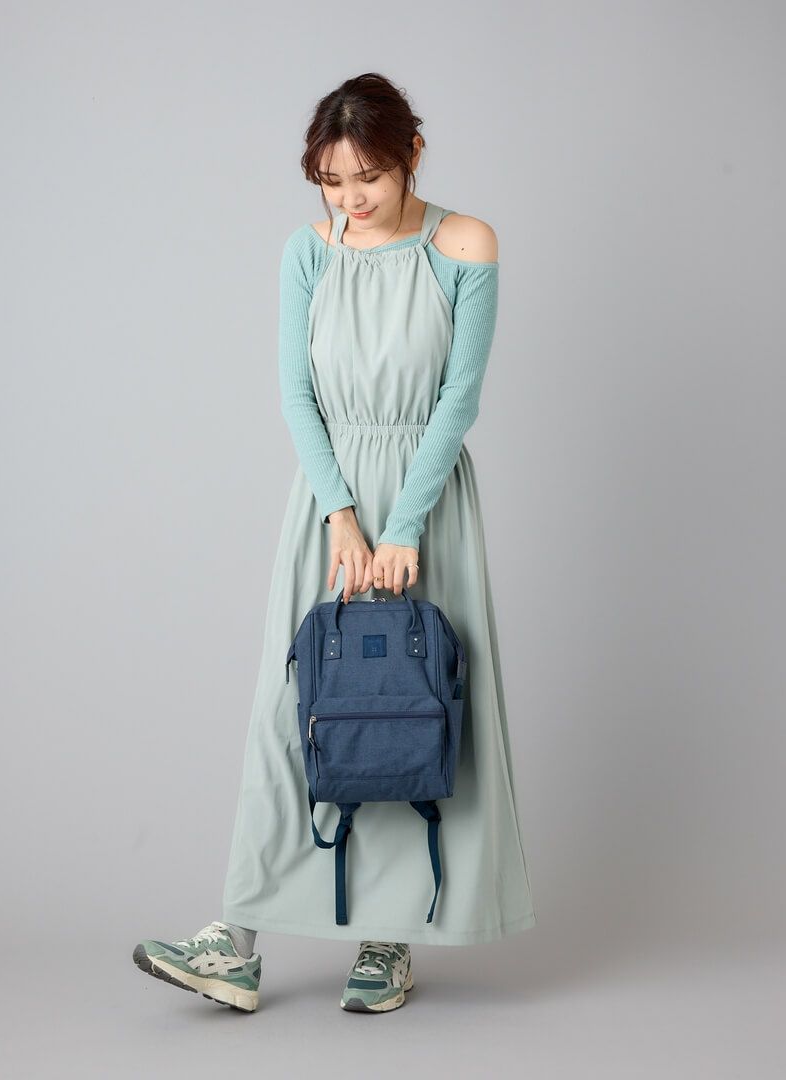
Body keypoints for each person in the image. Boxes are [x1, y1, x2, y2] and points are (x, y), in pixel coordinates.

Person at [133, 71, 536, 1014]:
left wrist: (404, 527)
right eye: (331, 181)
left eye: (369, 177)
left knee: (411, 709)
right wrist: (342, 516)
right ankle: (236, 941)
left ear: (412, 156)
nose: (350, 199)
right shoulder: (306, 253)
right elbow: (295, 393)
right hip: (330, 510)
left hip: (427, 502)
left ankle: (389, 941)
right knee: (297, 707)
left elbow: (459, 399)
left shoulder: (465, 244)